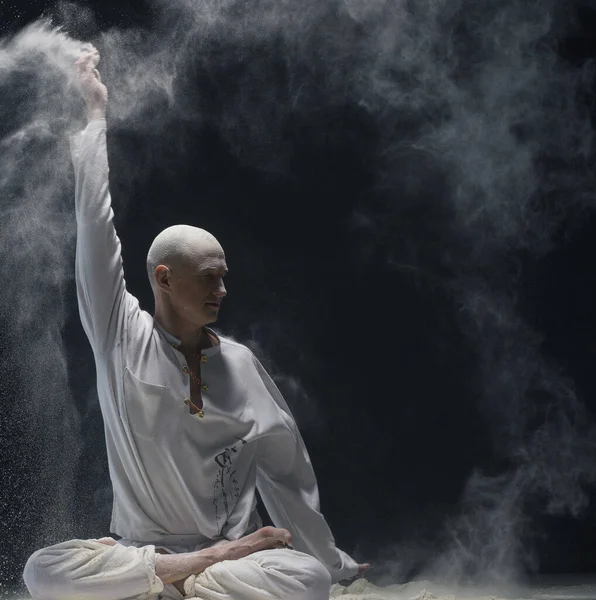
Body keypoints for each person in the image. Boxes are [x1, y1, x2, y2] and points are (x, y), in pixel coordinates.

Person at [22, 49, 369, 600]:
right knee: (42, 569)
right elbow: (94, 227)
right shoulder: (120, 335)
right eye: (209, 278)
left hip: (221, 568)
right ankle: (177, 577)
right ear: (163, 278)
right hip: (149, 553)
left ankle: (169, 586)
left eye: (224, 277)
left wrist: (331, 561)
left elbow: (289, 475)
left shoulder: (240, 365)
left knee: (306, 578)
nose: (222, 291)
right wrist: (95, 120)